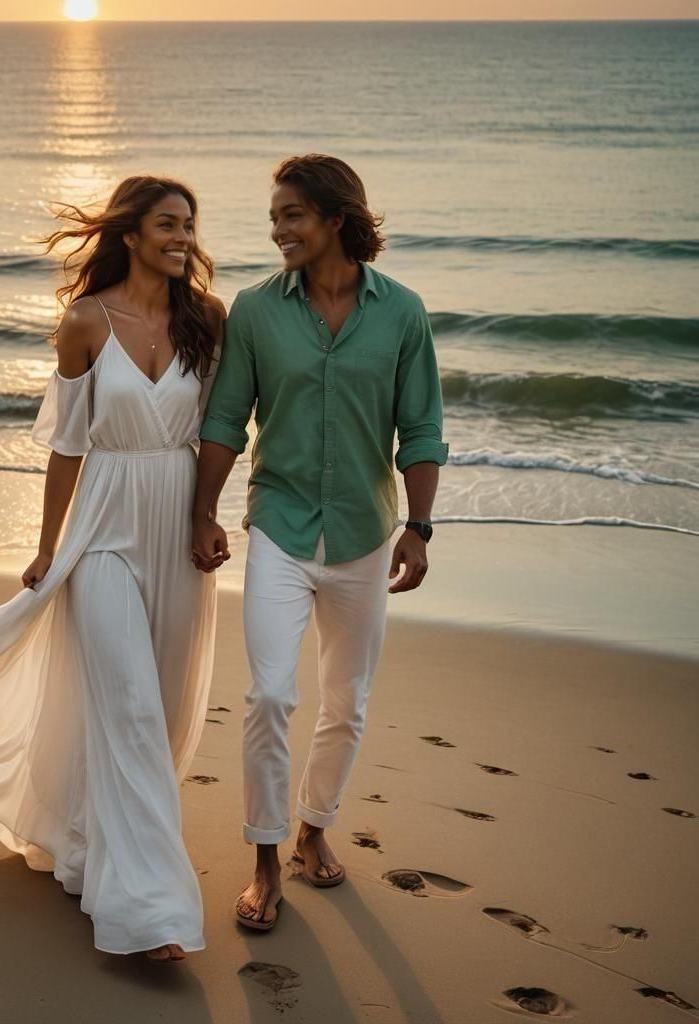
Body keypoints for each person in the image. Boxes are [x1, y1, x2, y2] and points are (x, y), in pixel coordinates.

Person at [0, 175, 225, 962]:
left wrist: (208, 516)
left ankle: (89, 841)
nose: (183, 236)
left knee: (160, 703)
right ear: (130, 233)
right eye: (168, 223)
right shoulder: (86, 321)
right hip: (106, 528)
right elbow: (67, 445)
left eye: (189, 224)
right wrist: (50, 546)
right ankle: (149, 908)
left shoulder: (205, 320)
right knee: (128, 705)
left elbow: (223, 430)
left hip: (179, 523)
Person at [191, 153, 448, 931]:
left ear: (336, 219)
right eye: (274, 217)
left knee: (348, 702)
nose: (278, 231)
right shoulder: (256, 312)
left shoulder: (402, 311)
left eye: (292, 216)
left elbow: (423, 426)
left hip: (367, 532)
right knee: (269, 694)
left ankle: (313, 829)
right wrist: (204, 512)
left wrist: (420, 527)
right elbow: (225, 420)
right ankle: (265, 859)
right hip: (280, 523)